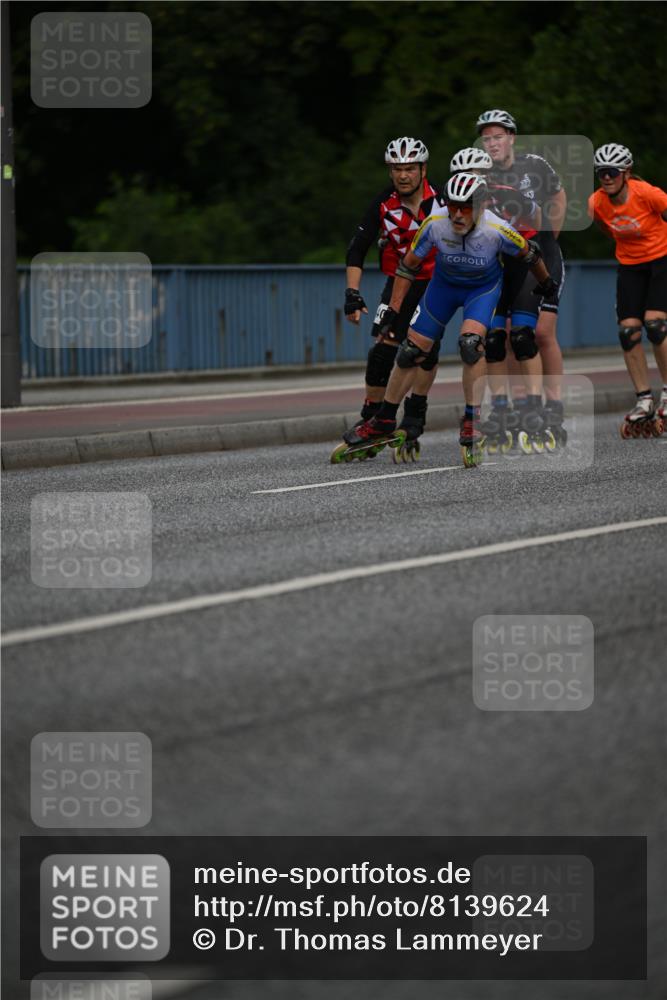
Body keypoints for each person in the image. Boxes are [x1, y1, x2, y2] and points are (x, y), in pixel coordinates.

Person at [342, 173, 557, 467]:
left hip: (481, 290)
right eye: (453, 206)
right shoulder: (435, 222)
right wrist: (394, 308)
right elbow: (408, 266)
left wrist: (546, 284)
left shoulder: (497, 229)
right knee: (410, 352)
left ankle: (472, 419)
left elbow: (531, 254)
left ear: (480, 206)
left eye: (465, 207)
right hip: (442, 288)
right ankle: (385, 418)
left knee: (471, 345)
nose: (457, 214)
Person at [337, 137, 441, 461]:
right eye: (397, 169)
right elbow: (357, 249)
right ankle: (372, 417)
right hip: (399, 281)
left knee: (422, 351)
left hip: (437, 284)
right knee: (382, 349)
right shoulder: (383, 203)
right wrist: (352, 294)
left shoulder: (444, 202)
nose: (403, 175)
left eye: (410, 168)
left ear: (423, 169)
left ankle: (414, 416)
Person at [476, 109, 568, 450]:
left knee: (541, 333)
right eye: (487, 138)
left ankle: (553, 405)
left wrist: (550, 239)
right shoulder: (479, 172)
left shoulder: (534, 165)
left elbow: (558, 196)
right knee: (506, 338)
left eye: (498, 136)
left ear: (511, 138)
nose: (492, 143)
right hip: (504, 260)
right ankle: (514, 407)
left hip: (539, 256)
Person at [588, 143, 667, 436]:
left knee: (655, 325)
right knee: (628, 331)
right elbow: (606, 227)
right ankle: (644, 399)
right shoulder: (596, 203)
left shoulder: (648, 194)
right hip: (630, 266)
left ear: (627, 173)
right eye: (600, 174)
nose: (606, 178)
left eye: (611, 172)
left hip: (661, 260)